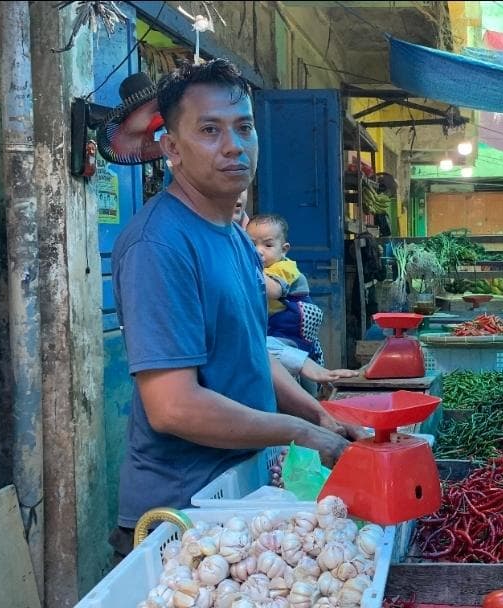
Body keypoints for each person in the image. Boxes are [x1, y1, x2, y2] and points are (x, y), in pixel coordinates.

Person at [110, 59, 354, 561]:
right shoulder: (159, 244)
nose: (233, 146)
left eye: (244, 127)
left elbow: (250, 351)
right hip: (177, 519)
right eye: (209, 130)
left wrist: (319, 415)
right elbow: (173, 406)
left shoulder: (236, 240)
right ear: (172, 148)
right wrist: (298, 431)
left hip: (232, 501)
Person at [247, 214, 328, 368]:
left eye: (268, 245)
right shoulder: (263, 269)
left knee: (283, 360)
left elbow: (273, 291)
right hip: (275, 330)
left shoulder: (285, 267)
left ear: (284, 250)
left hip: (292, 332)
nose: (258, 251)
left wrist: (247, 267)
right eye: (252, 245)